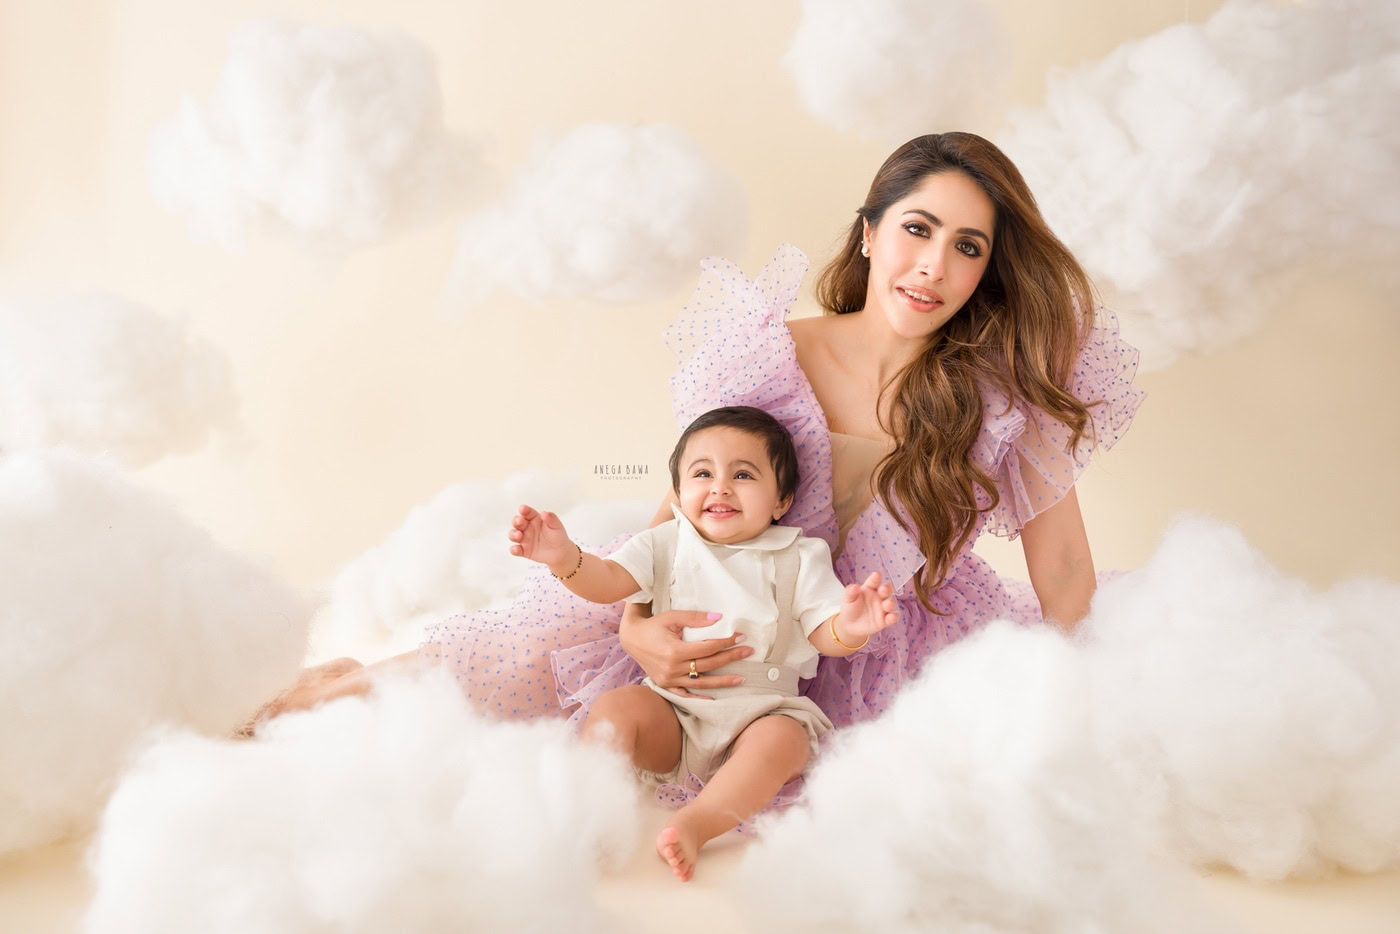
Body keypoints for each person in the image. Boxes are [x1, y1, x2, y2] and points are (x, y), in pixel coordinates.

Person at [245, 131, 1143, 815]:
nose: (935, 267)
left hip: (877, 639)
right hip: (716, 596)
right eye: (918, 230)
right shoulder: (766, 353)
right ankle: (337, 687)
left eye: (968, 248)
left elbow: (1061, 568)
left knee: (885, 796)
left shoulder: (1000, 400)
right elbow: (682, 510)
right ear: (870, 235)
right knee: (515, 661)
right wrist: (637, 627)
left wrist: (1080, 705)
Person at [508, 405, 899, 880]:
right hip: (675, 709)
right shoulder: (667, 543)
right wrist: (563, 558)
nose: (720, 487)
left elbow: (823, 628)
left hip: (762, 710)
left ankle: (698, 823)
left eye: (743, 474)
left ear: (781, 501)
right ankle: (590, 808)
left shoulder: (799, 553)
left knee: (784, 741)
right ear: (679, 491)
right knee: (616, 709)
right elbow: (608, 580)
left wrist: (852, 627)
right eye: (702, 473)